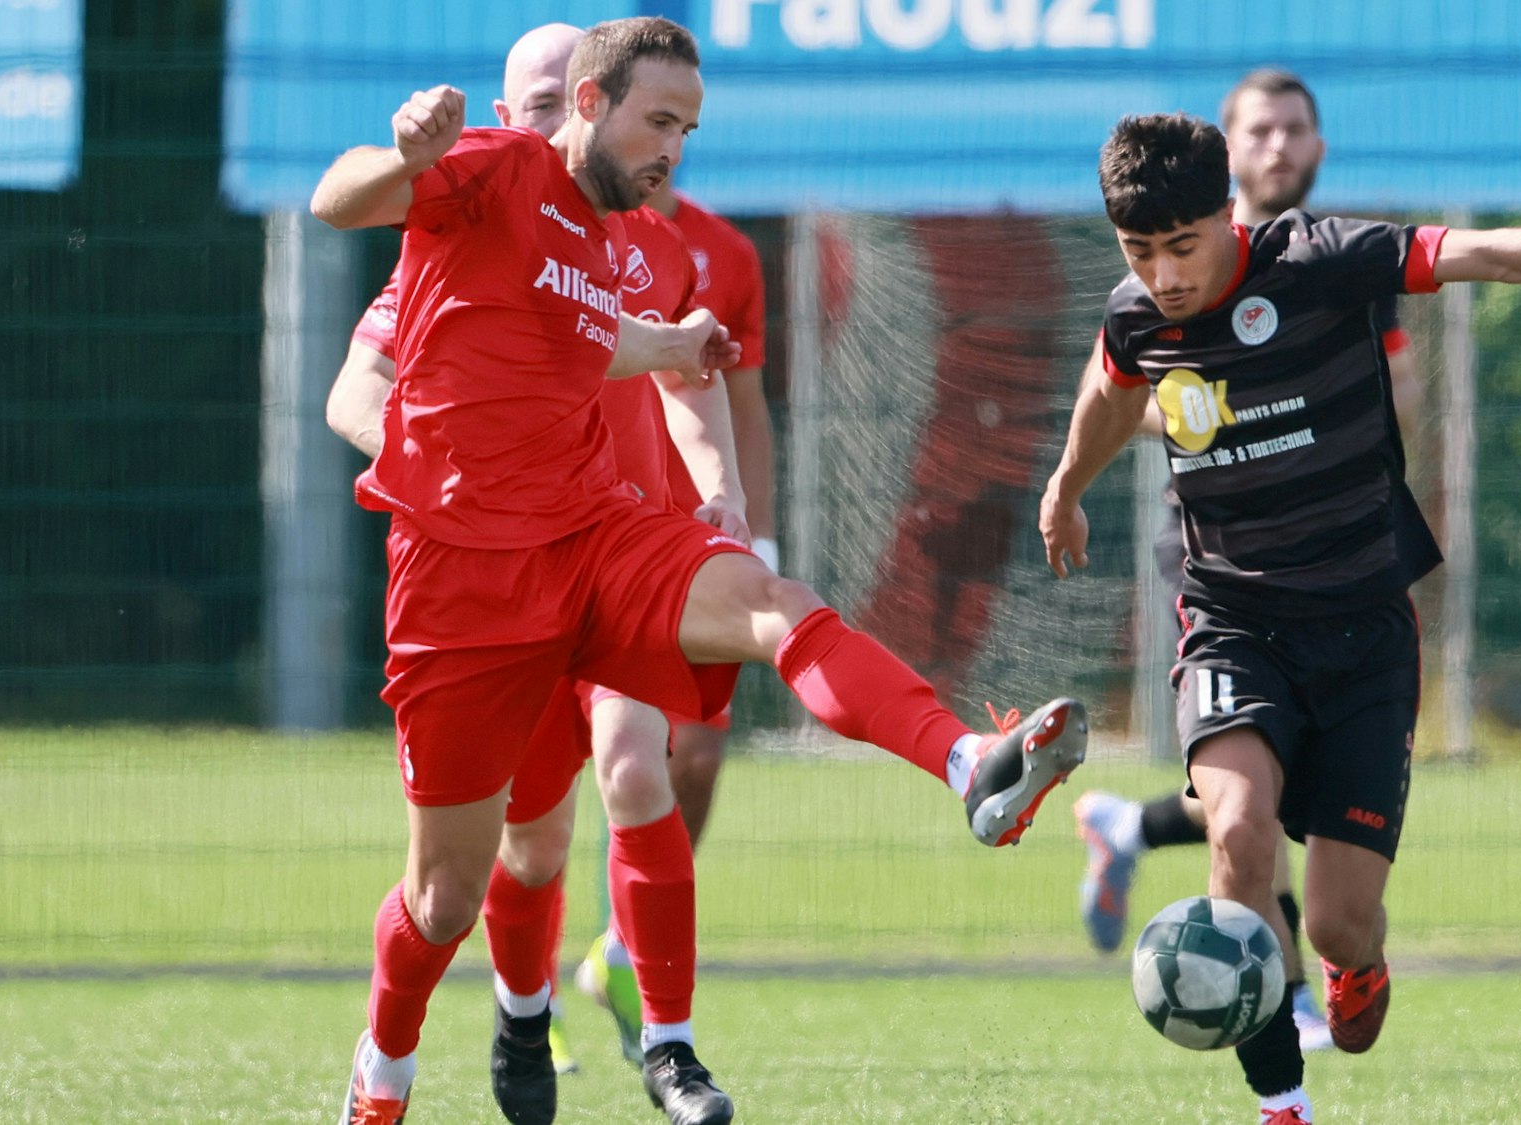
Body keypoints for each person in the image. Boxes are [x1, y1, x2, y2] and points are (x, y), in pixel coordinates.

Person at [311, 17, 1088, 1125]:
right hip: (461, 582)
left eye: (687, 126)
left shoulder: (639, 246)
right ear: (583, 106)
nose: (673, 148)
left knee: (772, 607)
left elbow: (600, 337)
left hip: (594, 538)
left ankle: (968, 761)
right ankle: (382, 1067)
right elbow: (338, 202)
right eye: (656, 122)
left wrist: (689, 392)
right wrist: (403, 150)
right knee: (444, 900)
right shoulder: (489, 174)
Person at [1040, 111, 1521, 1123]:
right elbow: (1113, 385)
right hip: (1231, 620)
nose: (1162, 274)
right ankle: (1278, 1102)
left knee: (1338, 922)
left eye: (1180, 246)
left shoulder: (1321, 258)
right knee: (1237, 834)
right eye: (1138, 251)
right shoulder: (1136, 316)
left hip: (1362, 632)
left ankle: (1352, 968)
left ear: (1225, 216)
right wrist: (1066, 486)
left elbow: (1487, 256)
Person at [1067, 67, 1424, 1056]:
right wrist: (1192, 420)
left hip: (1345, 575)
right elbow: (1122, 395)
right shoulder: (1154, 288)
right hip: (1223, 567)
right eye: (1257, 129)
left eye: (1293, 129)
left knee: (1296, 833)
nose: (1276, 146)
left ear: (1313, 147)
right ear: (1230, 150)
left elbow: (1391, 380)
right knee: (1242, 808)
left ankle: (1128, 831)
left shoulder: (1331, 260)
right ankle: (1282, 1007)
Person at [572, 177, 776, 1068]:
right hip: (553, 538)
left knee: (686, 751)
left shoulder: (722, 253)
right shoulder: (535, 229)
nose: (661, 144)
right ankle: (522, 998)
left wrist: (751, 523)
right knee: (525, 815)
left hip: (667, 543)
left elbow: (739, 396)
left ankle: (625, 951)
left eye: (676, 125)